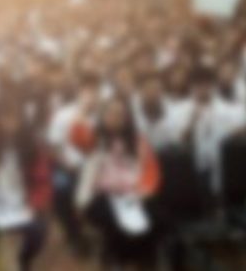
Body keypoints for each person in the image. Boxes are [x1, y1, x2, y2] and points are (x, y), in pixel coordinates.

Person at [75, 96, 161, 267]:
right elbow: (77, 136)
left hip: (133, 193)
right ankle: (114, 260)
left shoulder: (138, 140)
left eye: (120, 114)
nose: (116, 118)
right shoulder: (94, 138)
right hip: (101, 195)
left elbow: (152, 171)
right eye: (111, 113)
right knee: (114, 222)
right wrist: (83, 111)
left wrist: (145, 191)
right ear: (103, 116)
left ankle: (144, 261)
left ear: (127, 118)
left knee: (153, 218)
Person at [0, 94, 50, 271]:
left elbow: (42, 179)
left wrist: (35, 203)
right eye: (4, 118)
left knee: (39, 231)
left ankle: (24, 259)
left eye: (13, 117)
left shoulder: (31, 143)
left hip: (22, 198)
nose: (9, 123)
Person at [46, 74, 97, 257]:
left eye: (95, 92)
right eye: (87, 91)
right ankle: (73, 234)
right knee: (60, 189)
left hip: (93, 169)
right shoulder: (64, 115)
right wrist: (67, 164)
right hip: (66, 167)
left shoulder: (99, 117)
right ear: (79, 92)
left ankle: (90, 229)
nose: (91, 96)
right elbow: (53, 146)